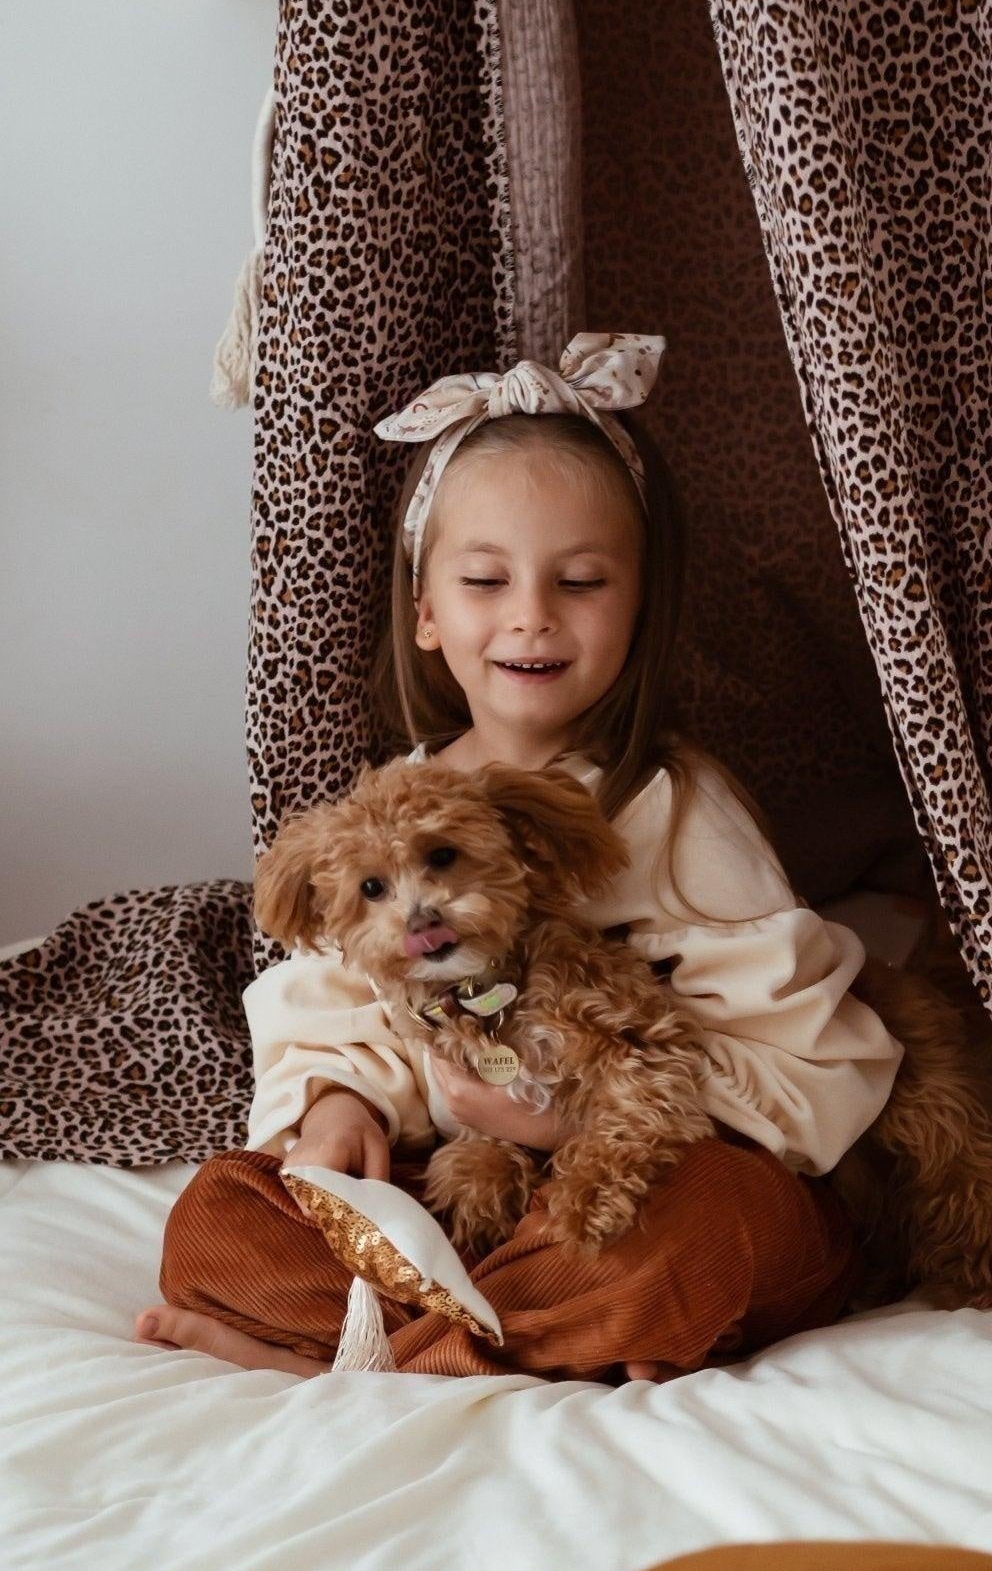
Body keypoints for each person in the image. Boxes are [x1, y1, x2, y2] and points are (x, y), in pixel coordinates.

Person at [136, 333, 904, 1385]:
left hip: (642, 1181)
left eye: (580, 580)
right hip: (473, 1188)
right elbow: (335, 1002)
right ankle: (513, 1338)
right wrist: (342, 1107)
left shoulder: (676, 805)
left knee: (711, 1235)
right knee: (219, 1217)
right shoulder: (396, 802)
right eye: (487, 578)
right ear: (426, 611)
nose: (531, 613)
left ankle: (389, 1346)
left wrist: (568, 1115)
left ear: (638, 605)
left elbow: (812, 1051)